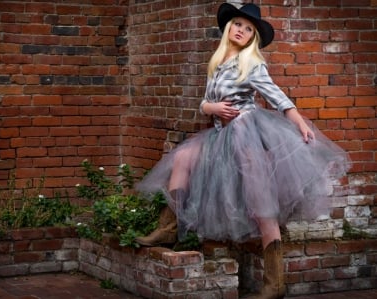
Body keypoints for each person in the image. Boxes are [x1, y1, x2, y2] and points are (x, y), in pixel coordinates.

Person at [135, 3, 350, 299]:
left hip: (247, 133)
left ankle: (275, 283)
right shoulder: (218, 61)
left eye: (248, 29)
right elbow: (206, 102)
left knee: (258, 197)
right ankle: (169, 227)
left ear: (252, 38)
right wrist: (210, 107)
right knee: (182, 157)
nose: (241, 31)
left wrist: (300, 125)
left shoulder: (251, 65)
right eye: (238, 24)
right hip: (220, 134)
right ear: (228, 27)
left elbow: (278, 97)